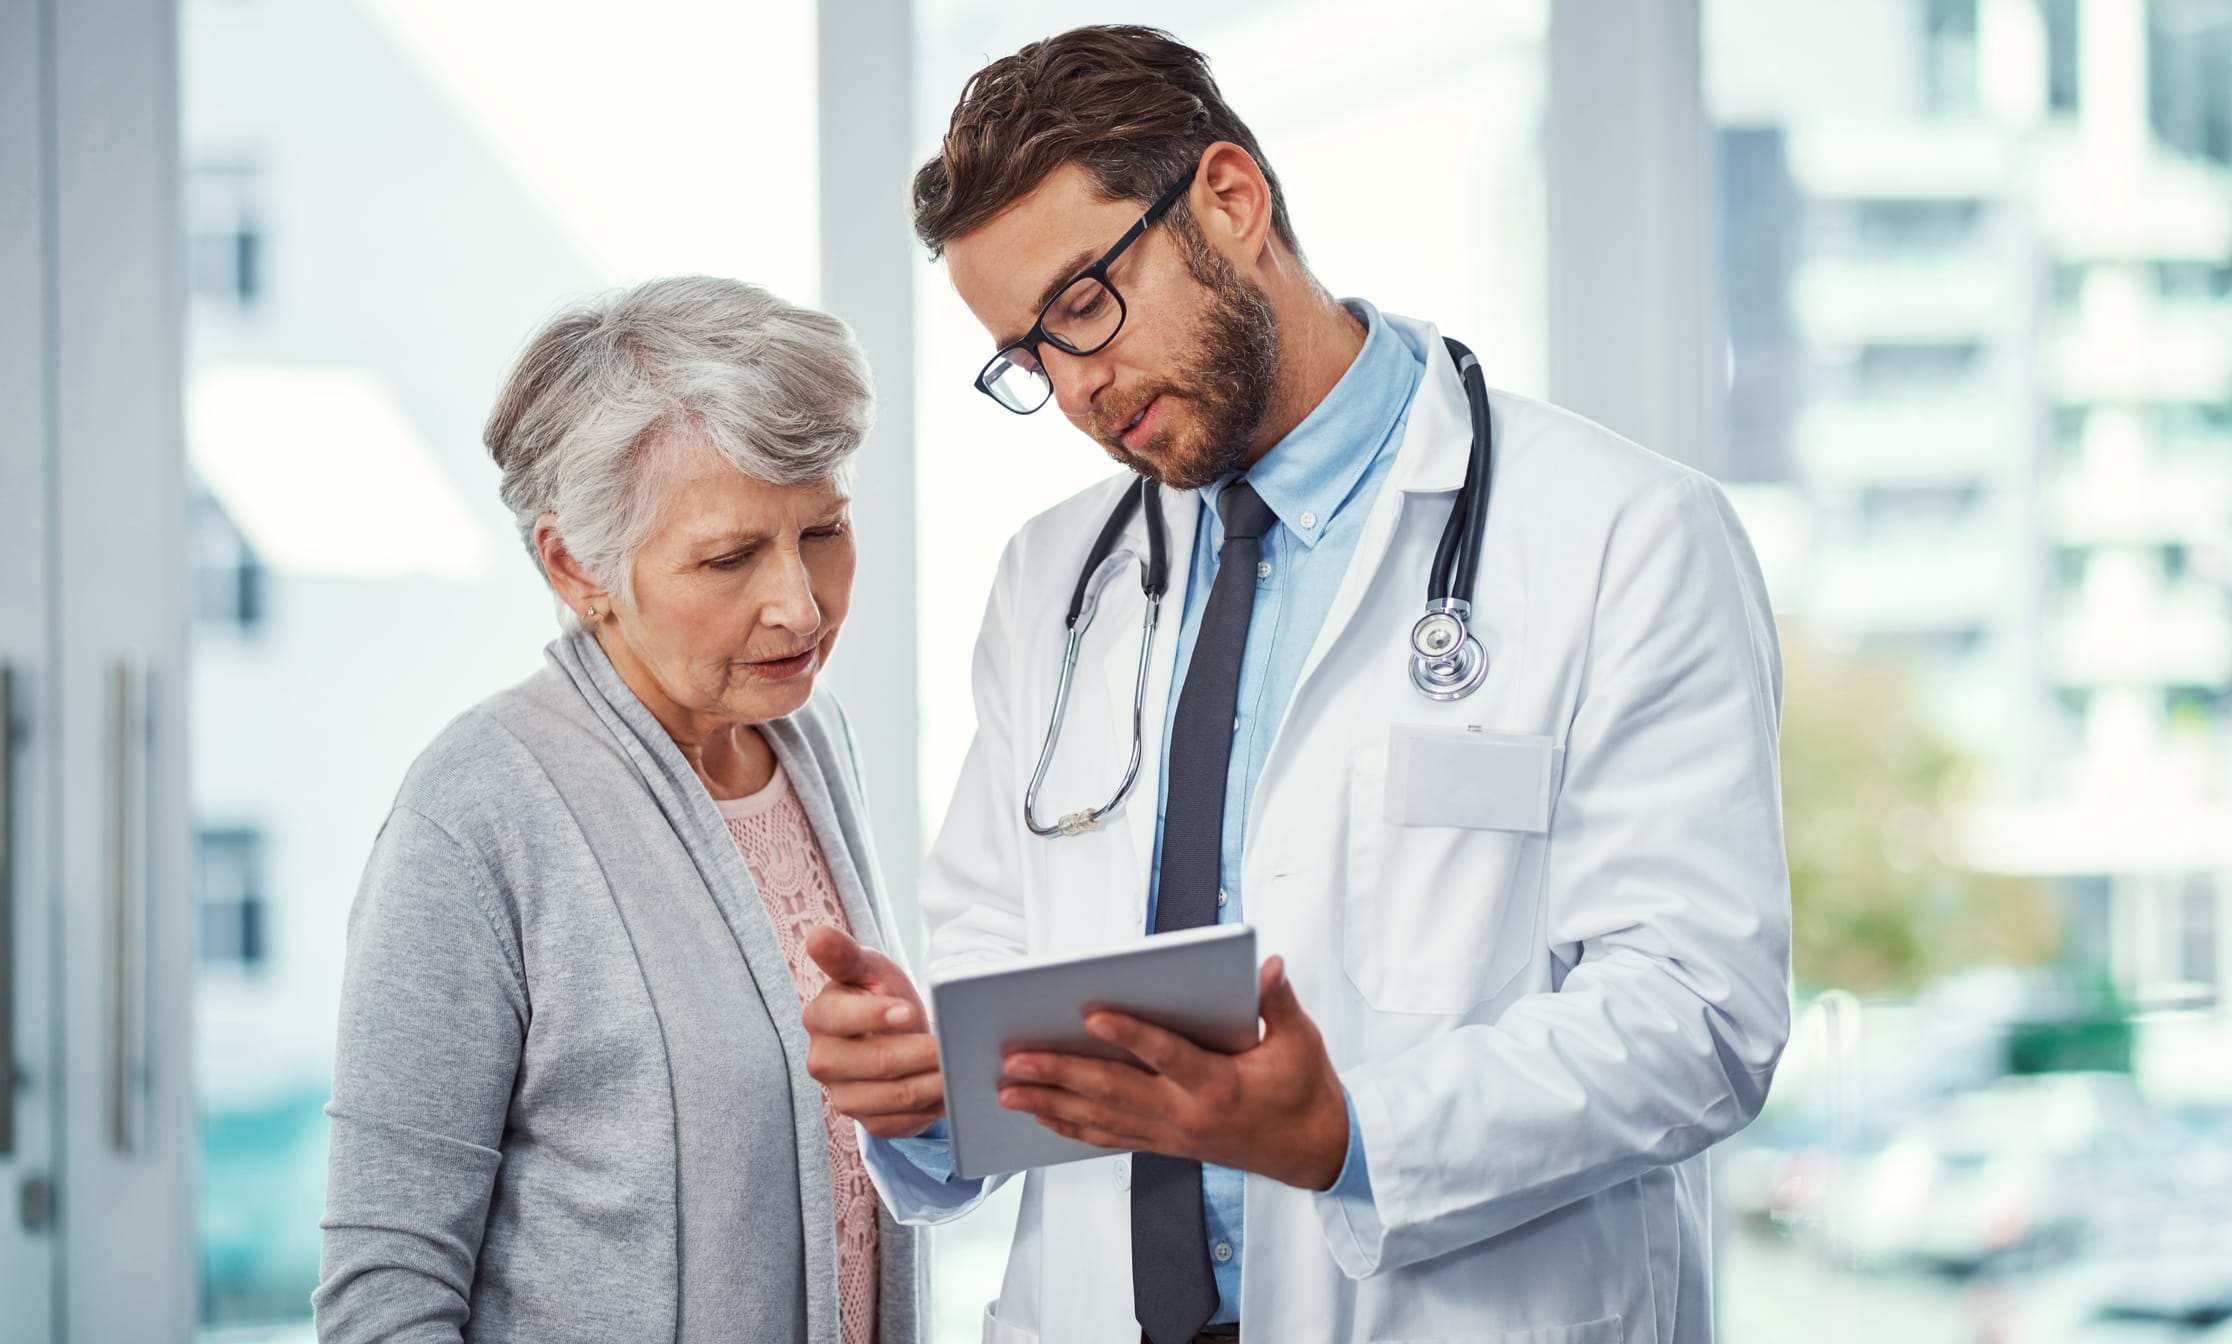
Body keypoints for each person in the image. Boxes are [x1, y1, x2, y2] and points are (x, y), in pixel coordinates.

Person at [803, 25, 1792, 1344]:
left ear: (1229, 198)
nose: (1079, 387)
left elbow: (1700, 1016)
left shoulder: (1626, 538)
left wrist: (1352, 1135)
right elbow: (1006, 973)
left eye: (1085, 304)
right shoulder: (1052, 582)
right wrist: (935, 1093)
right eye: (1029, 358)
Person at [314, 276, 920, 1344]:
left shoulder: (812, 743)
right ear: (574, 563)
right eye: (731, 556)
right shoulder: (478, 810)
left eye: (823, 530)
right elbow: (386, 1291)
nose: (801, 604)